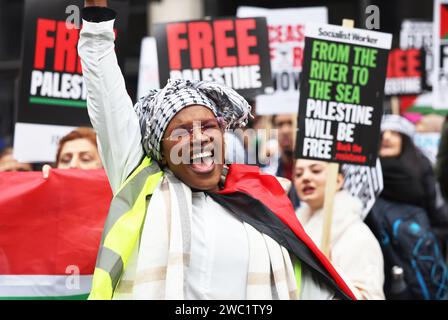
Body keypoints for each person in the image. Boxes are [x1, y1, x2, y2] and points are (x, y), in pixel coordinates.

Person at [78, 1, 355, 300]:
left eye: (208, 126)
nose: (199, 139)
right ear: (160, 152)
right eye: (181, 132)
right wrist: (97, 20)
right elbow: (107, 99)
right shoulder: (143, 185)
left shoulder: (260, 200)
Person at [366, 114, 448, 300]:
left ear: (405, 140)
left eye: (394, 133)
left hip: (420, 263)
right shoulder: (365, 178)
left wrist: (419, 240)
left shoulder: (422, 168)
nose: (386, 137)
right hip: (385, 264)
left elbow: (440, 219)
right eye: (382, 133)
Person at [293, 159, 385, 300]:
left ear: (338, 180)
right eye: (298, 174)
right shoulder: (294, 232)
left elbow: (370, 296)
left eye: (316, 170)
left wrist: (330, 272)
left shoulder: (357, 236)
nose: (305, 177)